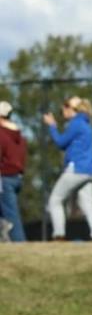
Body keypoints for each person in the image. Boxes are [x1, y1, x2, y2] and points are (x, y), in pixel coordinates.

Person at [42, 96, 92, 241]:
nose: (63, 109)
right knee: (87, 204)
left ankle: (59, 235)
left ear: (72, 109)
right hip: (89, 170)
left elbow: (61, 143)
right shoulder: (87, 124)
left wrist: (52, 126)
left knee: (55, 200)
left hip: (76, 169)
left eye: (65, 106)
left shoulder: (76, 124)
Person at [0, 101, 25, 242]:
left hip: (4, 177)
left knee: (11, 216)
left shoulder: (1, 133)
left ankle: (19, 244)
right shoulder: (19, 135)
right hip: (17, 177)